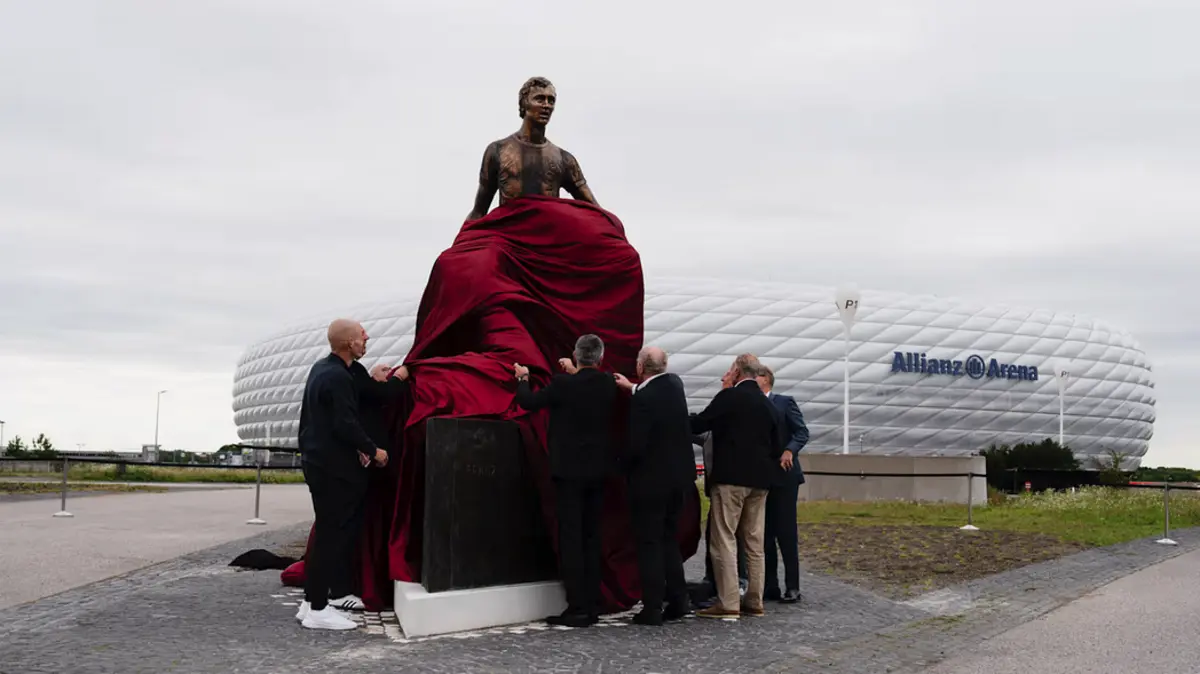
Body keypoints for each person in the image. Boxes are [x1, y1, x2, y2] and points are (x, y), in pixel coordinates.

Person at [513, 334, 617, 627]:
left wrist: (522, 378)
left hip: (569, 473)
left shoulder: (561, 385)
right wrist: (575, 370)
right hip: (598, 472)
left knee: (571, 540)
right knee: (591, 537)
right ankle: (593, 603)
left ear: (576, 354)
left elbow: (528, 401)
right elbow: (586, 385)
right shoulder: (607, 384)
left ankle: (578, 606)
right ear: (599, 357)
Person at [294, 319, 389, 630]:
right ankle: (319, 610)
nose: (367, 338)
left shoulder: (324, 369)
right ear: (350, 343)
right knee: (333, 536)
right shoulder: (337, 376)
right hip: (335, 469)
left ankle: (311, 602)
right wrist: (374, 451)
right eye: (362, 336)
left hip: (318, 463)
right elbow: (344, 423)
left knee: (326, 533)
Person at [689, 354, 782, 620]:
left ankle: (729, 601)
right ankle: (754, 600)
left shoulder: (729, 397)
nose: (727, 374)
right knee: (755, 542)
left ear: (739, 371)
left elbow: (700, 423)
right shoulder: (768, 406)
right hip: (760, 483)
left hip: (730, 480)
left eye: (730, 370)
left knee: (724, 539)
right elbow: (777, 446)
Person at [613, 347, 694, 625]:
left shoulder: (644, 400)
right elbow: (653, 393)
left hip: (650, 484)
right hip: (679, 481)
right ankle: (679, 598)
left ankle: (652, 607)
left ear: (639, 367)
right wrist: (633, 389)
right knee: (669, 539)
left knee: (648, 544)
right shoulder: (674, 385)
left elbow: (636, 445)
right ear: (665, 365)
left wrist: (620, 466)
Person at [467, 76, 599, 221]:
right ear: (524, 103)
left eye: (551, 100)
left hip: (547, 234)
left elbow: (595, 210)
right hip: (508, 234)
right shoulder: (497, 150)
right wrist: (461, 239)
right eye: (540, 99)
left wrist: (615, 232)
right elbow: (479, 210)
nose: (546, 105)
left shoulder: (564, 159)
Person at [756, 365, 809, 604]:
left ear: (765, 379)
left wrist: (789, 450)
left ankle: (793, 587)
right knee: (764, 534)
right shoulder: (752, 405)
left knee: (786, 533)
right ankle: (770, 586)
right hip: (761, 477)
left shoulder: (784, 402)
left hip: (785, 476)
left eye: (754, 376)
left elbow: (801, 432)